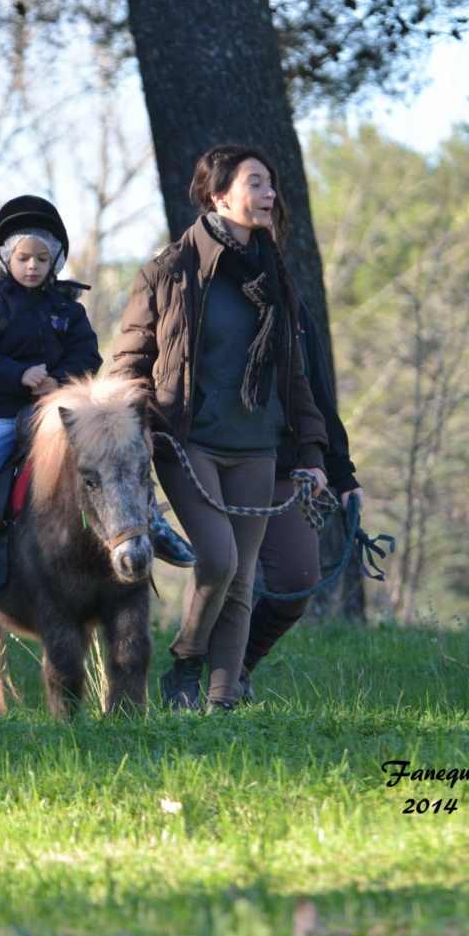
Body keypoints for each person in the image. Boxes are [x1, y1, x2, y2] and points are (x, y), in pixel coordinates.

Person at [112, 145, 329, 711]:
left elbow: (294, 374)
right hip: (187, 443)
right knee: (219, 559)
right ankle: (186, 660)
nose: (270, 195)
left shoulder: (274, 275)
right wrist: (130, 425)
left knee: (242, 576)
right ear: (219, 195)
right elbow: (130, 360)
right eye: (256, 183)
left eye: (271, 184)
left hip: (258, 445)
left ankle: (222, 698)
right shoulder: (169, 271)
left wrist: (312, 452)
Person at [0, 195, 195, 598]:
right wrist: (20, 376)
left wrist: (59, 380)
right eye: (24, 257)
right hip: (9, 411)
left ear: (55, 262)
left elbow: (87, 353)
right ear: (7, 258)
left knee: (122, 452)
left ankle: (153, 523)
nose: (32, 266)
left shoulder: (67, 309)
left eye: (42, 259)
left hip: (67, 413)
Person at [239, 299, 363, 700]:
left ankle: (236, 666)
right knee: (223, 576)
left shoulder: (294, 308)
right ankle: (195, 673)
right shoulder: (202, 292)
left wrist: (342, 474)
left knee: (297, 581)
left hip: (284, 465)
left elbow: (318, 396)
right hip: (220, 461)